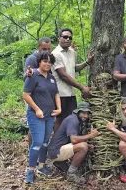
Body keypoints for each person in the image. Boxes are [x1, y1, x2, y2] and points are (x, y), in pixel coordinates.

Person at [23, 51, 61, 184]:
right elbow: (26, 95)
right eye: (45, 61)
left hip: (49, 115)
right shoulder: (33, 75)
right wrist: (37, 109)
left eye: (50, 62)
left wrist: (59, 108)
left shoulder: (51, 77)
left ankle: (41, 165)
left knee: (45, 141)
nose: (47, 64)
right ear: (39, 61)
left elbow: (56, 93)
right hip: (36, 115)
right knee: (37, 142)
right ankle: (30, 170)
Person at [51, 28, 94, 131]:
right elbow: (63, 75)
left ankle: (68, 140)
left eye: (70, 37)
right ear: (59, 38)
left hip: (71, 93)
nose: (67, 39)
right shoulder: (55, 54)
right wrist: (82, 87)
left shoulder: (72, 52)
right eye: (65, 37)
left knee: (72, 118)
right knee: (60, 119)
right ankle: (57, 142)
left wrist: (87, 62)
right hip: (60, 93)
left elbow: (74, 68)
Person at [47, 102, 99, 184]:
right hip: (55, 151)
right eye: (83, 113)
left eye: (87, 113)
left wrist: (89, 144)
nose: (85, 116)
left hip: (57, 150)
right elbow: (74, 140)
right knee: (83, 147)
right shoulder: (73, 120)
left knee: (85, 145)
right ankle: (71, 174)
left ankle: (61, 163)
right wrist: (91, 135)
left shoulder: (76, 119)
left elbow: (73, 140)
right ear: (78, 111)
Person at [23, 37, 52, 149]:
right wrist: (28, 74)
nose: (46, 51)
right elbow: (25, 75)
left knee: (46, 123)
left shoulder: (49, 59)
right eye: (43, 48)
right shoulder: (32, 59)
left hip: (46, 96)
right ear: (38, 47)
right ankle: (32, 150)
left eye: (48, 49)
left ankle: (42, 152)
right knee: (34, 125)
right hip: (32, 96)